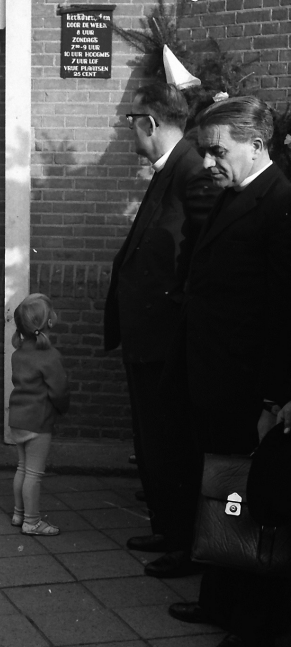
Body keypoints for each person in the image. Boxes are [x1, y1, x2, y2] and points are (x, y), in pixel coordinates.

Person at [167, 96, 291, 647]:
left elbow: (282, 311)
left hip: (248, 388)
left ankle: (252, 624)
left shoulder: (278, 201)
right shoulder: (235, 192)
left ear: (256, 143)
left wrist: (274, 397)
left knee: (245, 498)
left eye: (219, 150)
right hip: (213, 377)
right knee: (219, 490)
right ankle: (218, 599)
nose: (210, 163)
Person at [104, 83, 221, 578]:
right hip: (149, 337)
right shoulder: (170, 169)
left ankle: (183, 544)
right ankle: (167, 529)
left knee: (170, 445)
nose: (127, 128)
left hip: (166, 341)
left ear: (150, 123)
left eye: (131, 120)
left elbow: (204, 258)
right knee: (154, 442)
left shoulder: (192, 174)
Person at [8, 294, 70, 536]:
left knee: (22, 468)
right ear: (49, 323)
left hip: (18, 419)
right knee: (34, 473)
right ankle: (32, 521)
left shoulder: (19, 354)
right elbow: (59, 390)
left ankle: (18, 513)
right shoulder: (50, 356)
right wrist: (62, 408)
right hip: (39, 421)